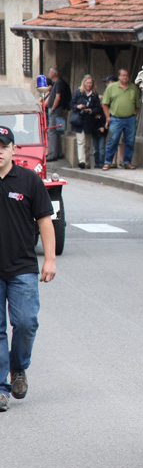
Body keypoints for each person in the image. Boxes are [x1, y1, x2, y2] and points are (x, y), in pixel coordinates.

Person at [0, 126, 56, 412]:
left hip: (22, 267)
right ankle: (1, 387)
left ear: (12, 149)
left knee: (25, 323)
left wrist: (49, 259)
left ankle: (18, 367)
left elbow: (45, 220)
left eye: (3, 145)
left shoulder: (29, 180)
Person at [102, 68, 141, 170]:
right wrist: (107, 117)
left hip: (130, 119)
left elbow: (137, 106)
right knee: (113, 140)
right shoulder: (111, 87)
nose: (125, 77)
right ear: (119, 77)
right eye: (123, 75)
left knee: (130, 141)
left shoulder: (133, 88)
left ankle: (127, 162)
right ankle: (108, 162)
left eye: (127, 75)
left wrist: (134, 116)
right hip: (116, 118)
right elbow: (105, 103)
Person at [70, 74, 102, 169]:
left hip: (89, 121)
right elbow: (71, 104)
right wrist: (77, 106)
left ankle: (87, 161)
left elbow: (98, 108)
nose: (89, 84)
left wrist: (90, 110)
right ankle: (82, 161)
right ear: (84, 83)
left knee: (87, 143)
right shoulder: (78, 92)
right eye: (87, 82)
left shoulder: (94, 95)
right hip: (79, 121)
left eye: (90, 83)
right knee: (81, 142)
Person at [45, 66, 72, 161]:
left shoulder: (59, 83)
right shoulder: (57, 82)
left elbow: (58, 97)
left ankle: (53, 153)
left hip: (56, 109)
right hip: (56, 109)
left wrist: (52, 108)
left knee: (51, 131)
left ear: (54, 73)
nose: (49, 73)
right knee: (57, 132)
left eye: (50, 71)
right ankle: (58, 152)